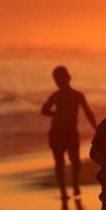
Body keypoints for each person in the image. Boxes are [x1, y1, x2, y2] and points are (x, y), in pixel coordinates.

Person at [41, 66, 97, 200]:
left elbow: (88, 112)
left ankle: (76, 185)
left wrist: (97, 128)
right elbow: (44, 110)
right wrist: (56, 114)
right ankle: (63, 192)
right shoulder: (56, 96)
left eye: (61, 77)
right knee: (59, 162)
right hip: (56, 133)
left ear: (68, 77)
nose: (59, 81)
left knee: (76, 162)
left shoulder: (77, 95)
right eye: (56, 79)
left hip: (71, 132)